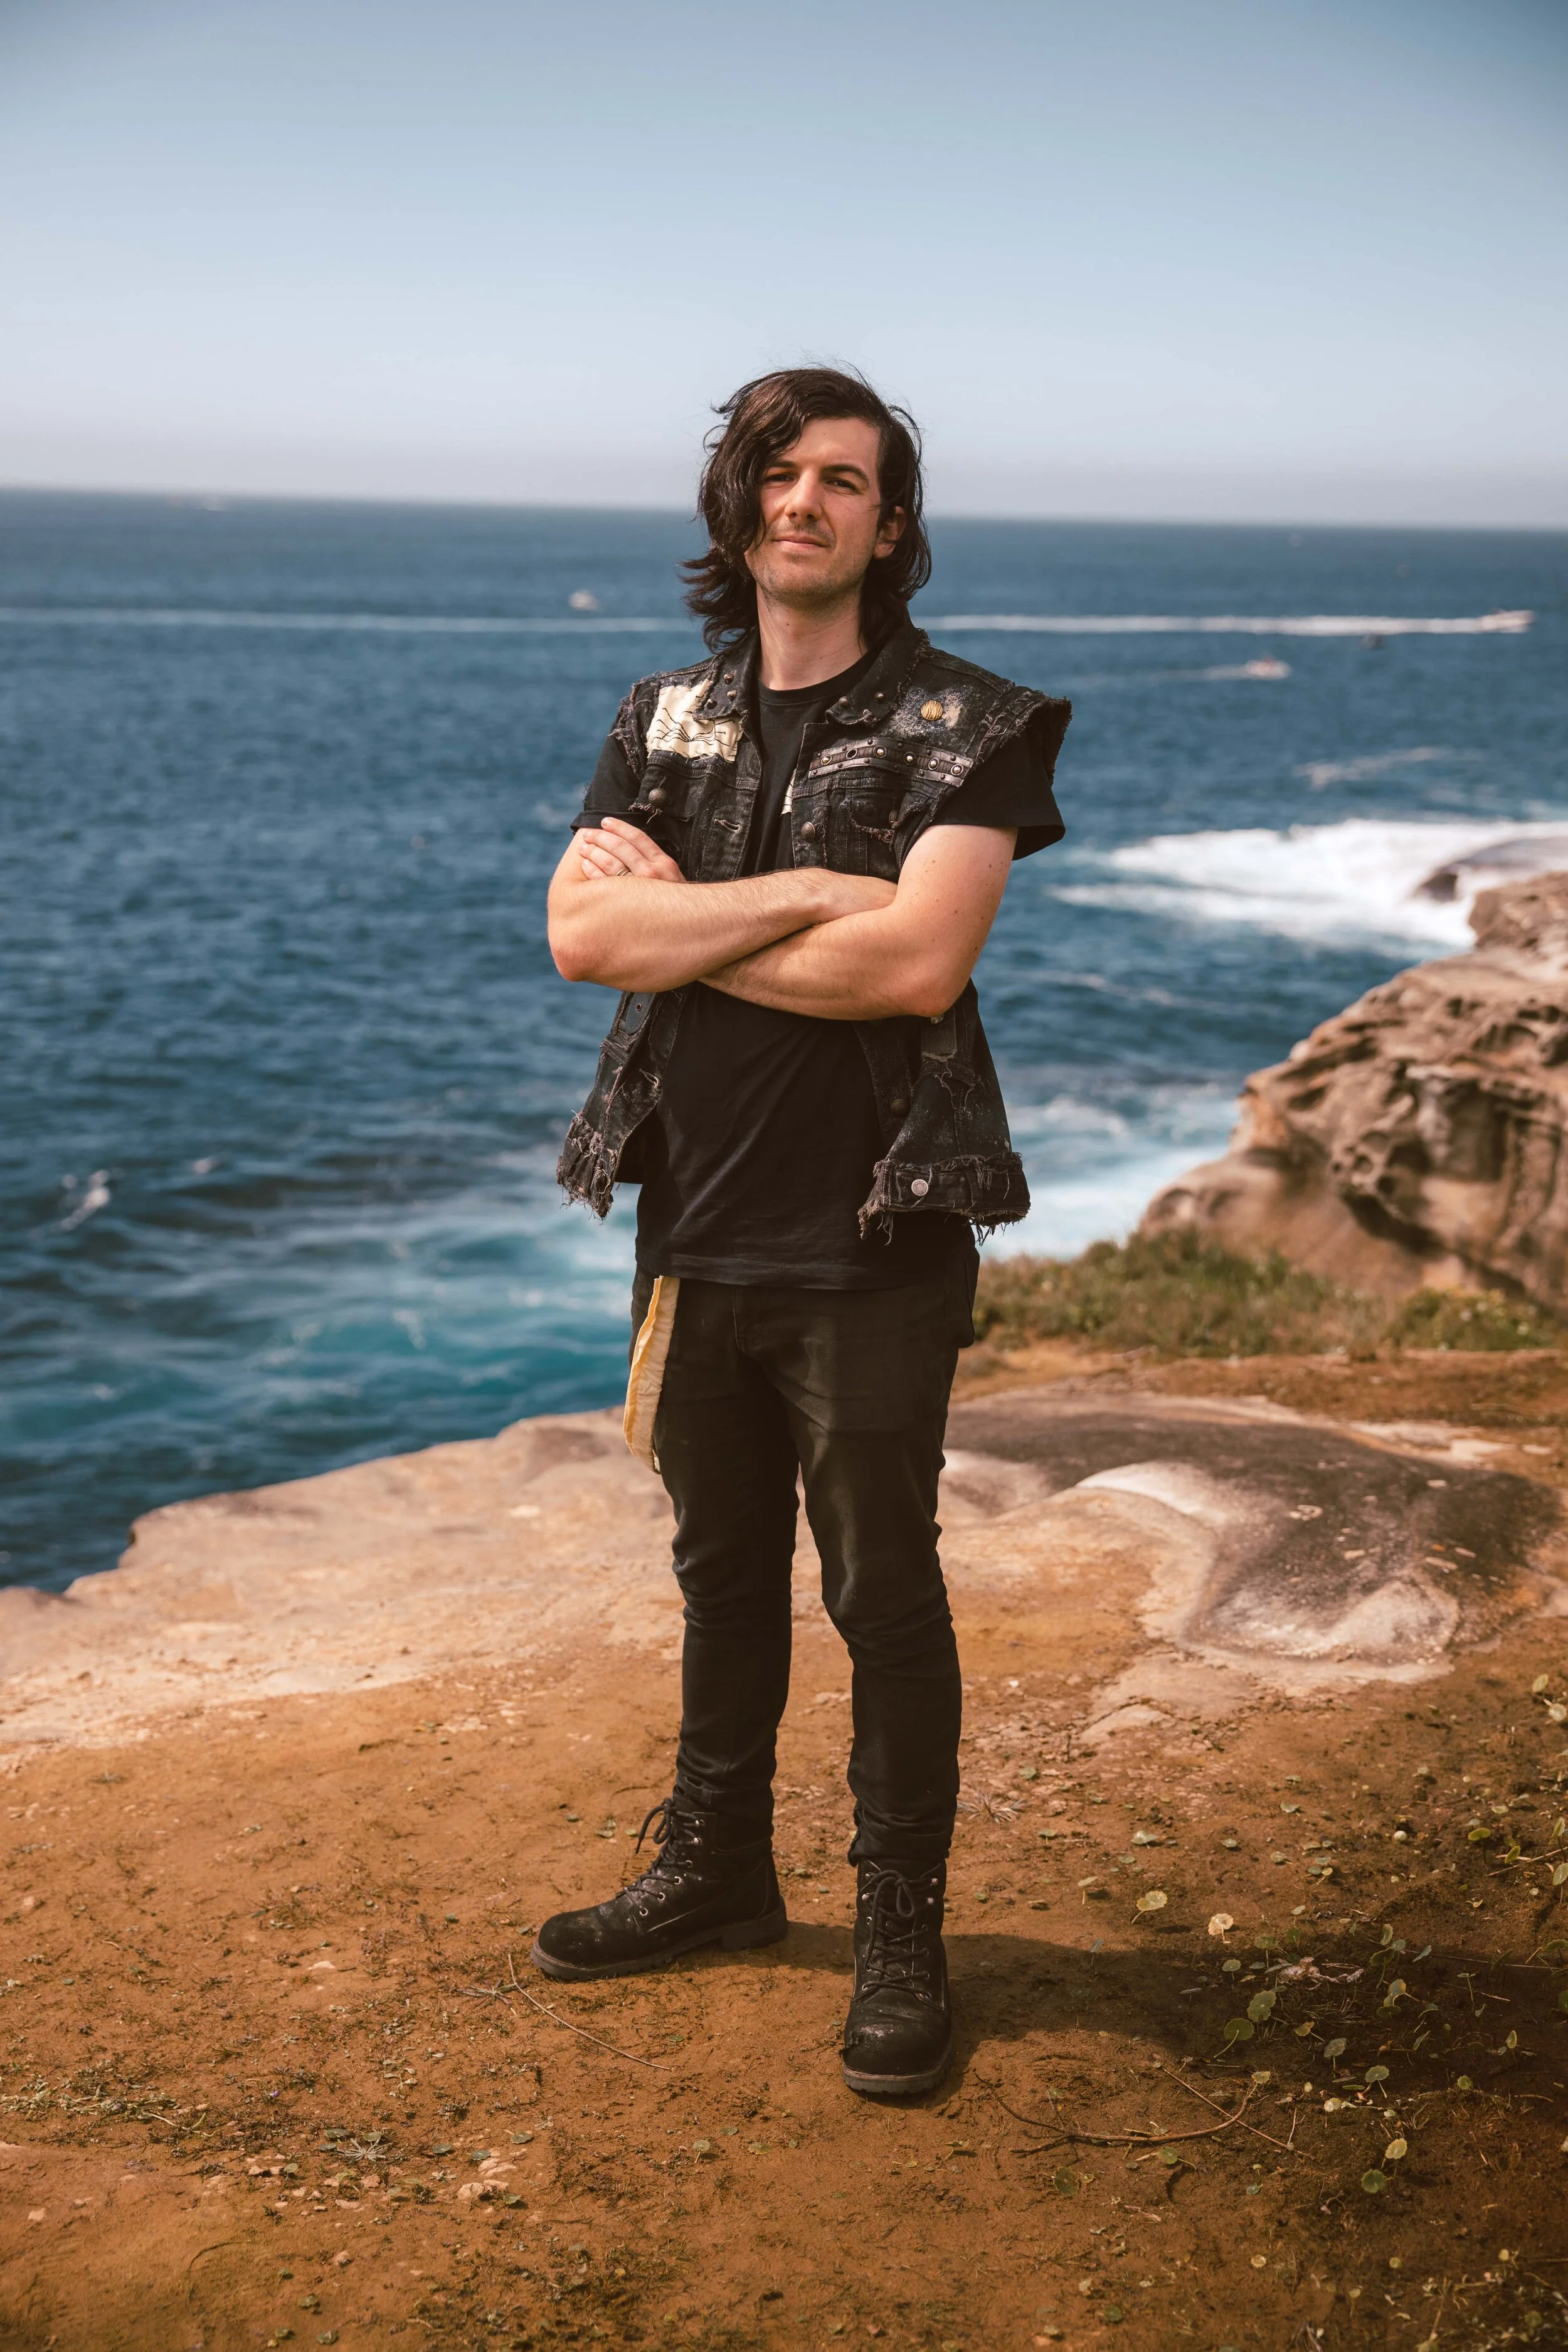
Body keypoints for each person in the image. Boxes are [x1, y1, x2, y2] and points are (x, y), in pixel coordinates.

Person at [537, 366, 1069, 2099]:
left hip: (873, 1231)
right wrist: (800, 895)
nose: (802, 500)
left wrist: (677, 920)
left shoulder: (975, 725)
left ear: (887, 525)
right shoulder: (660, 715)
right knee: (716, 1569)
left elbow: (918, 966)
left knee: (880, 1589)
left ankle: (901, 1930)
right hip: (692, 1220)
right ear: (734, 507)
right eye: (775, 472)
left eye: (842, 479)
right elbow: (578, 944)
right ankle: (718, 1869)